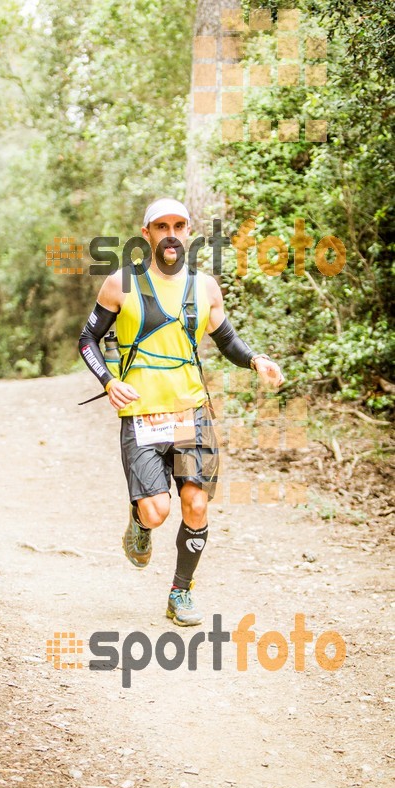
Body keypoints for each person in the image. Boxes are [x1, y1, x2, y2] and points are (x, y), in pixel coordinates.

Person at [78, 198, 284, 626]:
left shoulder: (205, 287)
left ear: (189, 231)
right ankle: (139, 522)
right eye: (161, 226)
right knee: (157, 510)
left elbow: (226, 339)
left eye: (179, 225)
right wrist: (109, 381)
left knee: (196, 504)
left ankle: (180, 593)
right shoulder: (121, 283)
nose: (171, 233)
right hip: (141, 413)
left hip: (192, 411)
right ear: (147, 232)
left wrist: (255, 360)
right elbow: (87, 340)